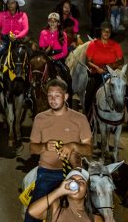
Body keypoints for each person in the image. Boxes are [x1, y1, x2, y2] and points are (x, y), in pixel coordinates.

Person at [27, 79, 92, 222]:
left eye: (57, 96)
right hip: (47, 172)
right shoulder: (40, 118)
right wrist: (44, 147)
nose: (52, 100)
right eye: (50, 96)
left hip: (74, 172)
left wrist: (72, 146)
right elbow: (32, 148)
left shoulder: (79, 119)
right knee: (31, 214)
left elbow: (88, 150)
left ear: (66, 97)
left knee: (95, 205)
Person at [85, 22, 128, 130]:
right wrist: (97, 68)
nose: (106, 33)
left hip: (113, 73)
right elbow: (88, 61)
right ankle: (88, 120)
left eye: (108, 31)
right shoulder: (93, 45)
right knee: (90, 93)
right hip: (97, 73)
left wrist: (111, 66)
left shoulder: (115, 45)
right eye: (104, 31)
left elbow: (121, 60)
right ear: (101, 32)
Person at [0, 0, 29, 92]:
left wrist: (17, 36)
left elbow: (25, 29)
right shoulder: (2, 15)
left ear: (17, 4)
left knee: (29, 57)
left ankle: (29, 81)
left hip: (18, 40)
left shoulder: (23, 15)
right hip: (4, 40)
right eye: (9, 3)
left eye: (13, 3)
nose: (10, 5)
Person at [28, 168, 102, 222]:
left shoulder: (95, 219)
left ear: (86, 193)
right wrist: (59, 192)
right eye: (71, 181)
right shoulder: (56, 207)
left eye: (81, 182)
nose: (76, 183)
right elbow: (33, 212)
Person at [39, 13, 72, 97]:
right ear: (48, 22)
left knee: (66, 71)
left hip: (58, 58)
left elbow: (64, 52)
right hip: (46, 56)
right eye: (50, 21)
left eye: (55, 21)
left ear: (58, 23)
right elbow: (42, 48)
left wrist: (55, 57)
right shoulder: (43, 32)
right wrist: (48, 51)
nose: (52, 23)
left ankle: (68, 94)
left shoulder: (63, 34)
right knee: (36, 70)